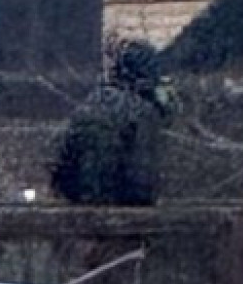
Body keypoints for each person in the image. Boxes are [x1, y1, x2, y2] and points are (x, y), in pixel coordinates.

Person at [51, 39, 173, 206]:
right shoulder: (141, 112)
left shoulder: (94, 101)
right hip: (117, 209)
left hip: (79, 203)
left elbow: (61, 163)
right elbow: (141, 175)